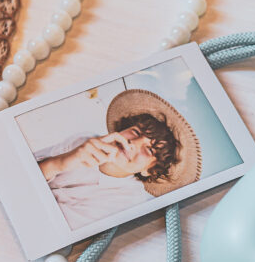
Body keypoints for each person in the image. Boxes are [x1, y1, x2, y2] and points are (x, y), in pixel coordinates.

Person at [34, 89, 202, 230]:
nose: (133, 144)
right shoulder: (85, 141)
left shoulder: (128, 201)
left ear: (149, 170)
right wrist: (61, 162)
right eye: (136, 132)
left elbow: (50, 226)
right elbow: (24, 170)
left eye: (149, 150)